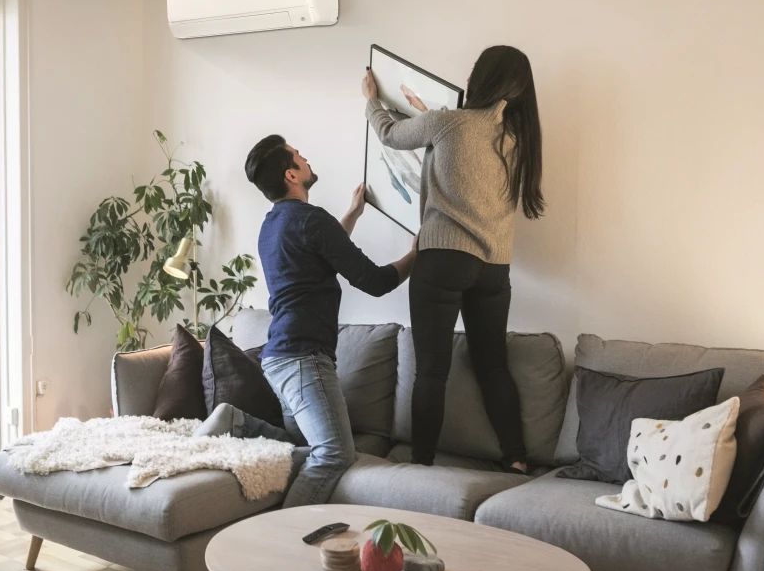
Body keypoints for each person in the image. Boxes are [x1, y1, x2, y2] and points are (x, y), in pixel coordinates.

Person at [194, 136, 415, 508]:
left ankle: (236, 422)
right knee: (334, 455)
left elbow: (324, 249)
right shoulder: (312, 221)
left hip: (279, 357)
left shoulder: (273, 225)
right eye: (300, 156)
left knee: (300, 449)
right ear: (292, 174)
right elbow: (376, 282)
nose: (307, 158)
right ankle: (285, 535)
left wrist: (354, 213)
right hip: (303, 357)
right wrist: (417, 255)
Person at [361, 45, 545, 473]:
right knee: (493, 365)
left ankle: (421, 464)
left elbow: (389, 133)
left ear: (481, 78)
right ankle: (516, 458)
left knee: (432, 371)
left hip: (444, 259)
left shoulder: (449, 123)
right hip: (495, 268)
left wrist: (372, 98)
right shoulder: (519, 143)